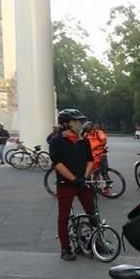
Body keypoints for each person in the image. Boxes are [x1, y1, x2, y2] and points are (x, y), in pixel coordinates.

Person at [48, 109, 95, 262]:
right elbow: (58, 164)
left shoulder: (84, 140)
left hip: (83, 182)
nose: (80, 124)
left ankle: (96, 241)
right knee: (64, 216)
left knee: (92, 212)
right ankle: (65, 248)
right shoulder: (56, 141)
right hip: (65, 184)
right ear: (67, 123)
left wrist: (85, 177)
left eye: (80, 121)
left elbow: (90, 160)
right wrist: (74, 179)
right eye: (76, 121)